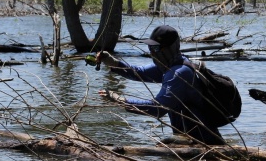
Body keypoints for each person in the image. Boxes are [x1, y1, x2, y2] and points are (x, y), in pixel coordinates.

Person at [96, 25, 225, 145]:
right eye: (150, 48)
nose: (152, 52)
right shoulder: (170, 66)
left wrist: (120, 100)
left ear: (171, 48)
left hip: (205, 142)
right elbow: (138, 72)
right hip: (190, 139)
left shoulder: (179, 73)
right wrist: (112, 62)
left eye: (156, 48)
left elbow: (157, 109)